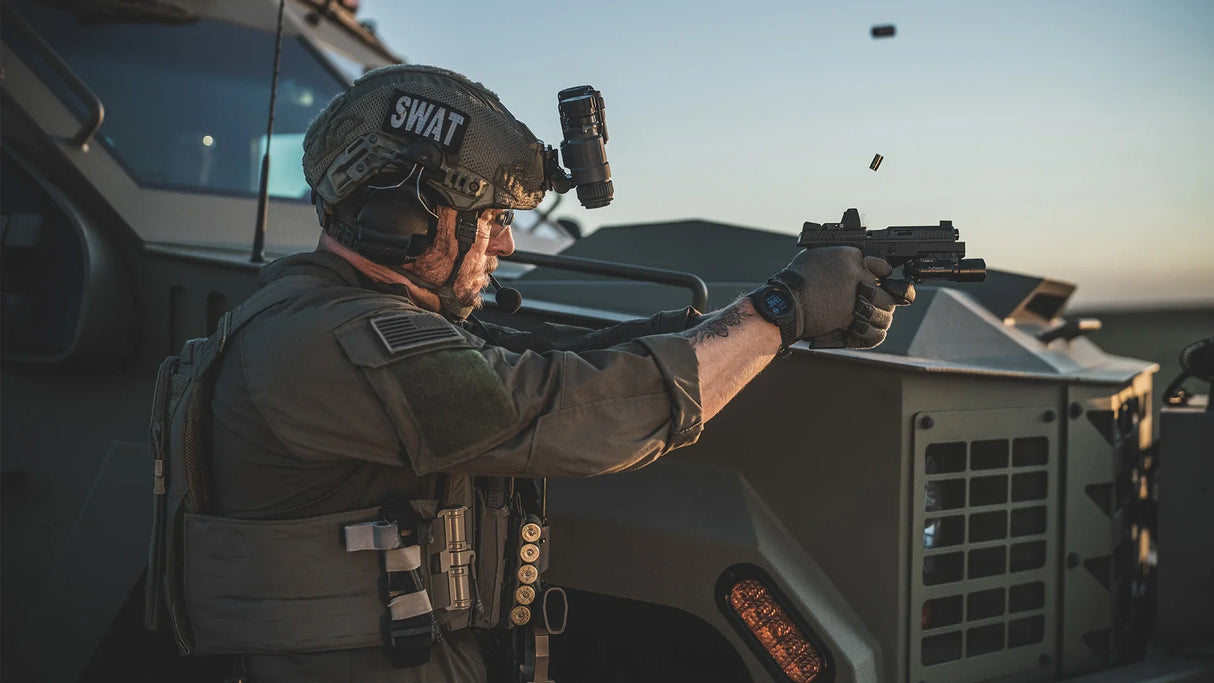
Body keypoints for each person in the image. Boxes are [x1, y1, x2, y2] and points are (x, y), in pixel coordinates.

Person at [145, 64, 911, 683]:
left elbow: (533, 361)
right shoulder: (329, 339)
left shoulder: (344, 316)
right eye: (492, 218)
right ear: (402, 216)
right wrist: (780, 313)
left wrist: (733, 328)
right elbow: (568, 410)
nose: (506, 246)